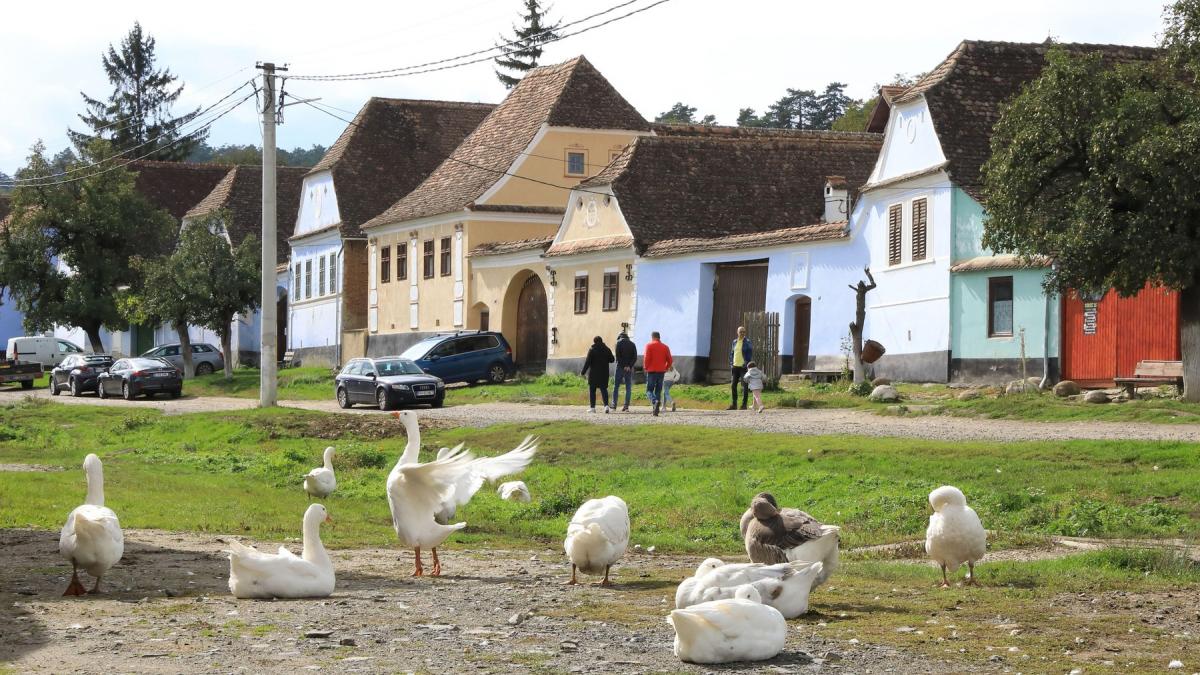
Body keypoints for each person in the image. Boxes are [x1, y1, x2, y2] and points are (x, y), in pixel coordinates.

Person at [580, 336, 615, 413]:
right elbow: (612, 360)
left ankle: (593, 408)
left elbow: (587, 362)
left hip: (593, 374)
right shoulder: (607, 349)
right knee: (604, 389)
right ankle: (606, 406)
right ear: (602, 341)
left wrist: (583, 372)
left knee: (592, 390)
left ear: (594, 342)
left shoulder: (592, 350)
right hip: (604, 373)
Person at [643, 331, 673, 417]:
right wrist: (666, 367)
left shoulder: (649, 345)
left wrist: (646, 367)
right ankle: (655, 411)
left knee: (649, 390)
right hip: (661, 371)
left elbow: (646, 358)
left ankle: (654, 402)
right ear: (659, 337)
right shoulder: (665, 347)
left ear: (652, 337)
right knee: (658, 391)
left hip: (652, 371)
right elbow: (670, 360)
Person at [611, 331, 637, 412]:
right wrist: (629, 366)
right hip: (628, 369)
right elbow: (635, 357)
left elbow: (618, 357)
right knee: (628, 387)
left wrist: (624, 366)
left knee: (616, 386)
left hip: (620, 367)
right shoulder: (632, 344)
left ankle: (614, 405)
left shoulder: (618, 343)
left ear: (619, 337)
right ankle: (626, 406)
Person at [729, 326, 753, 410]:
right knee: (733, 385)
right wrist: (731, 363)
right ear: (737, 332)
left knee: (745, 386)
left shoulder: (748, 342)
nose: (742, 333)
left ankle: (744, 405)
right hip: (735, 367)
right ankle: (734, 404)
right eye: (741, 332)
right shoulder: (734, 342)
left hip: (743, 367)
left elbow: (749, 354)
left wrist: (746, 364)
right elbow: (732, 353)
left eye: (744, 332)